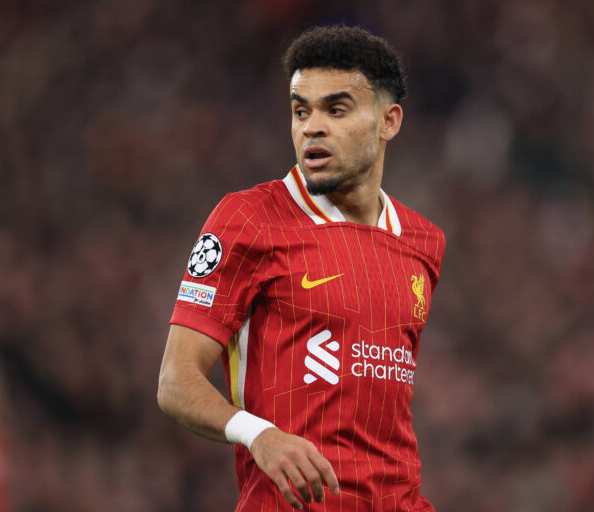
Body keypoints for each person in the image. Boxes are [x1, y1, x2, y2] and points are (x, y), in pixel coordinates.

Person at [158, 25, 445, 511]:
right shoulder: (249, 220)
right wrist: (260, 436)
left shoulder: (424, 242)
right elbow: (175, 382)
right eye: (300, 110)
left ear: (388, 121)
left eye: (336, 109)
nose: (311, 126)